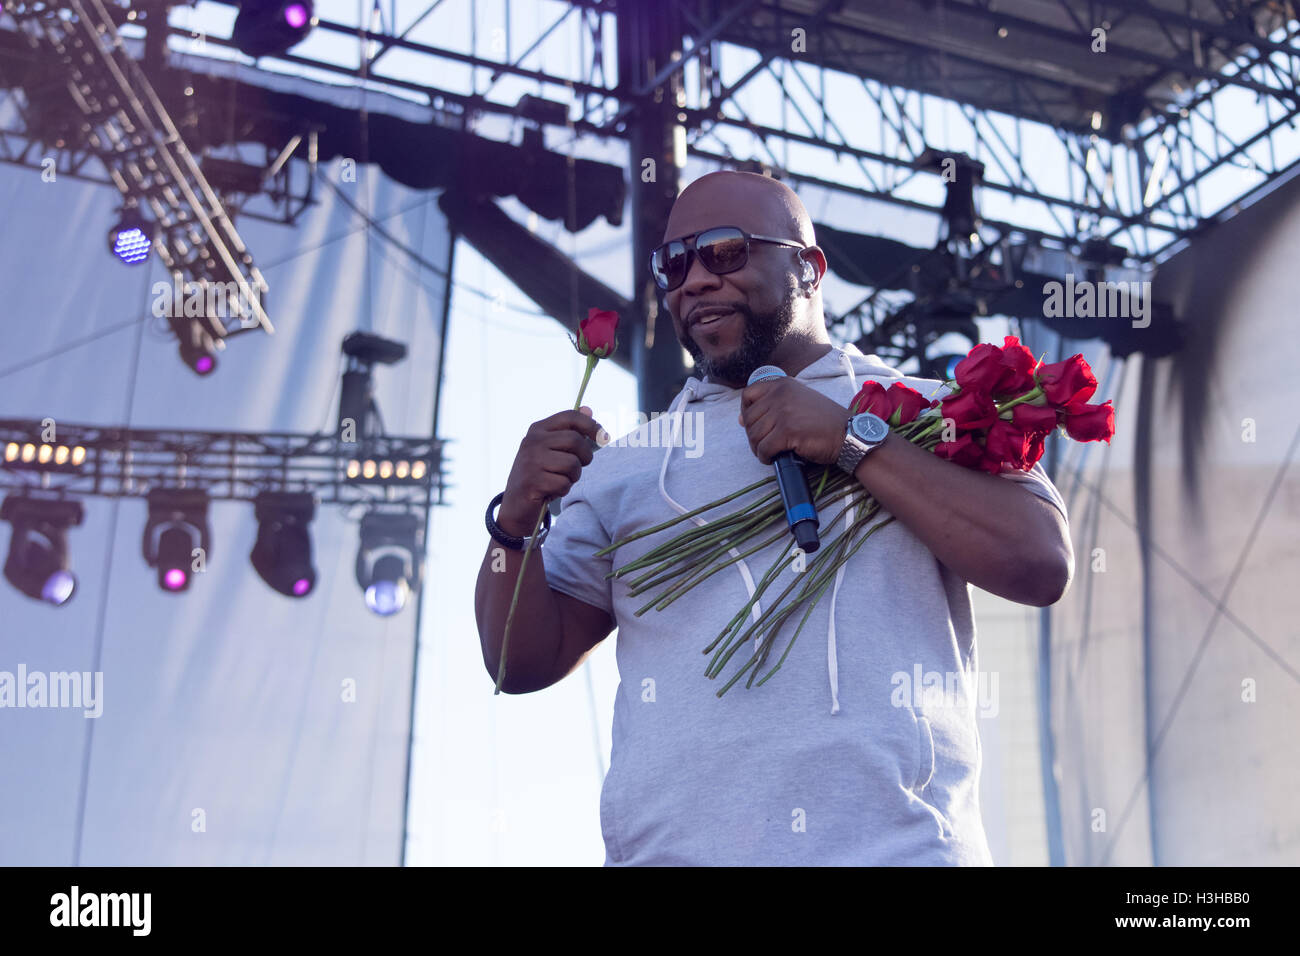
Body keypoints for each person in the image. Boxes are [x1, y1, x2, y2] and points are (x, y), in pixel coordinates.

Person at [475, 170, 1073, 866]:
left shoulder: (927, 410)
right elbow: (518, 663)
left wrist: (854, 441)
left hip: (898, 851)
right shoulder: (624, 468)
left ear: (809, 268)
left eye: (724, 250)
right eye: (674, 264)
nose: (694, 279)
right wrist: (513, 526)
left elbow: (1041, 562)